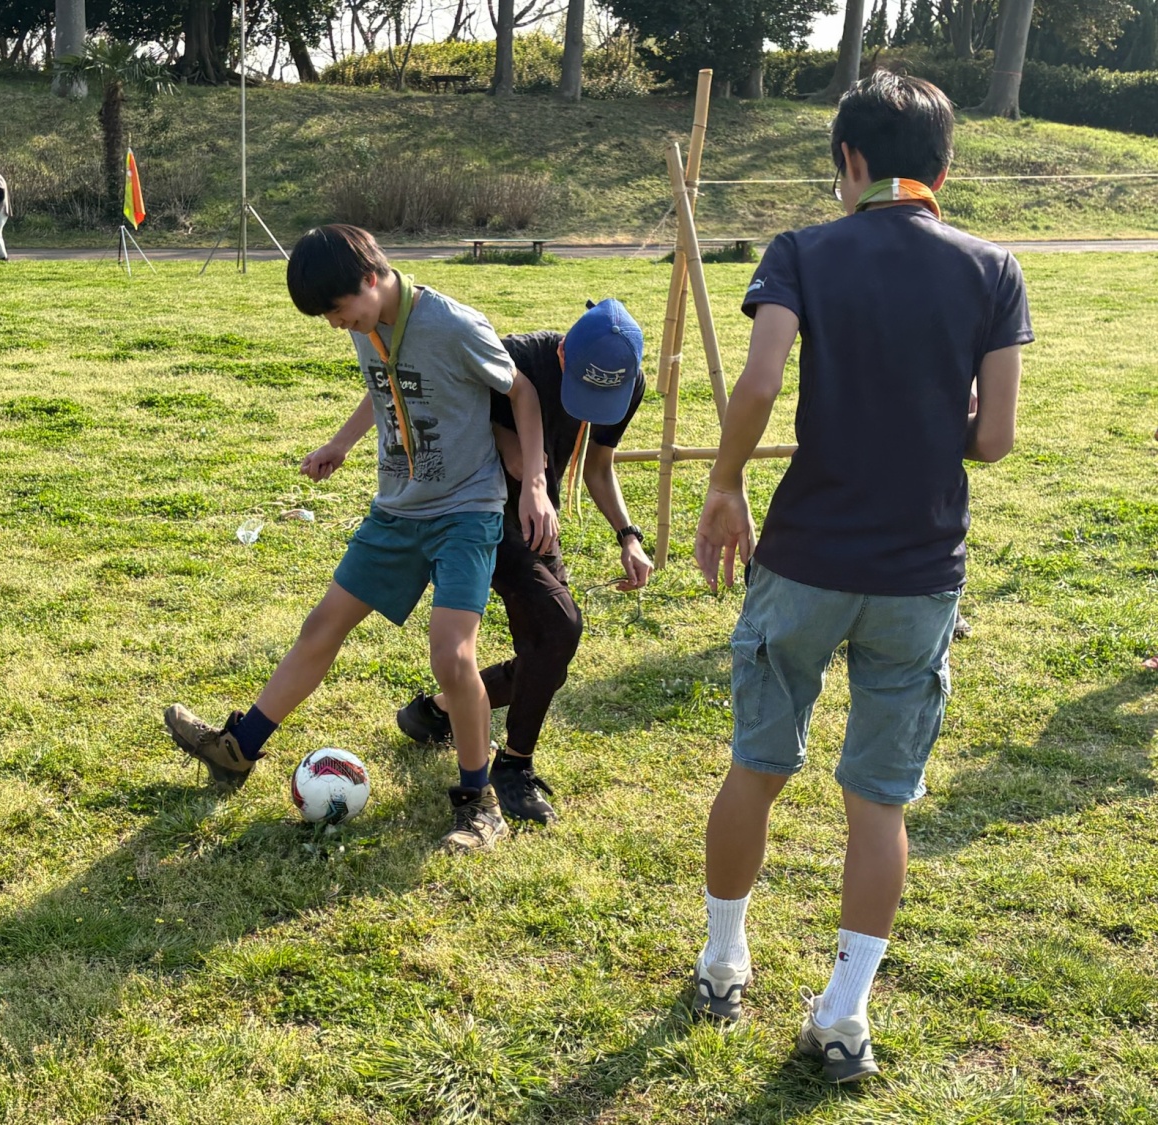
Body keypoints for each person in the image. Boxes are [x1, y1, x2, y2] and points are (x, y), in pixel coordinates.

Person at [688, 71, 1030, 1083]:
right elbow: (995, 439)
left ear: (849, 160)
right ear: (944, 167)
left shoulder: (802, 251)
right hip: (921, 569)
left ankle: (722, 964)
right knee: (879, 802)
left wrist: (723, 484)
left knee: (757, 766)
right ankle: (844, 1014)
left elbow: (760, 380)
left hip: (805, 555)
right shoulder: (993, 267)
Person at [164, 224, 557, 852]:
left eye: (337, 309)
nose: (334, 323)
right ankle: (239, 748)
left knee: (452, 655)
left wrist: (533, 482)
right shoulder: (367, 321)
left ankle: (479, 805)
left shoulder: (454, 325)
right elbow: (383, 386)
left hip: (464, 511)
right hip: (397, 510)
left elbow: (524, 392)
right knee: (322, 624)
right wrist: (341, 444)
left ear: (372, 279)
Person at [393, 300, 653, 826]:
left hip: (538, 517)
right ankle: (513, 767)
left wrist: (628, 536)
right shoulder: (512, 357)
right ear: (563, 353)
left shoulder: (629, 384)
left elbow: (599, 468)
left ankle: (437, 712)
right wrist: (522, 467)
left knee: (551, 652)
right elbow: (483, 434)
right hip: (477, 513)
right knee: (558, 628)